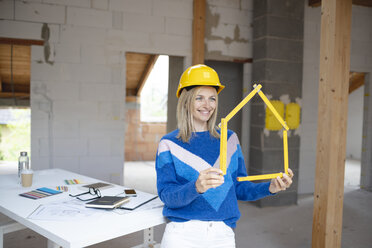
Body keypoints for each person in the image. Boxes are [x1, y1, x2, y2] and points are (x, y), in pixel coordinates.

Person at [155, 64, 294, 248]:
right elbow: (167, 196)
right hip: (182, 234)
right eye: (199, 98)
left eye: (212, 98)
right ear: (186, 100)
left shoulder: (230, 139)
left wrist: (270, 187)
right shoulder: (168, 144)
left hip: (222, 235)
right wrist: (196, 187)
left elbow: (240, 187)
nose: (207, 105)